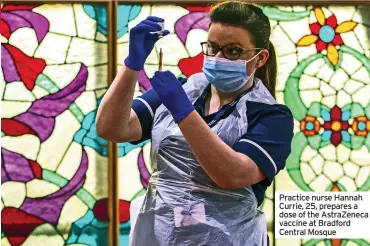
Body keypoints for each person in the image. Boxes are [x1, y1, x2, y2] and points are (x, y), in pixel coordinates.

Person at [96, 1, 293, 245]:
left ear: (260, 58)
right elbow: (111, 127)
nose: (218, 57)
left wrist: (182, 111)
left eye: (233, 51)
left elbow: (230, 175)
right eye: (212, 47)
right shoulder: (180, 90)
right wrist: (132, 65)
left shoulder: (272, 116)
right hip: (163, 237)